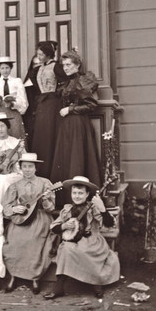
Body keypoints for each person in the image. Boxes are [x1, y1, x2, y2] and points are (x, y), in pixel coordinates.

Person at [44, 176, 120, 300]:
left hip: (92, 240)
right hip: (73, 241)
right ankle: (59, 287)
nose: (77, 196)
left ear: (87, 194)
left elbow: (109, 224)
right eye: (74, 193)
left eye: (80, 193)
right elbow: (53, 227)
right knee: (64, 249)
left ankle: (96, 283)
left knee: (87, 251)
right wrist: (64, 226)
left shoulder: (93, 208)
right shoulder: (67, 209)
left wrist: (102, 209)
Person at [50, 49, 103, 208]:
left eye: (68, 65)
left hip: (78, 125)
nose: (65, 68)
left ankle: (80, 201)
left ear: (77, 65)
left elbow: (91, 105)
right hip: (67, 126)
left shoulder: (81, 81)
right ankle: (65, 201)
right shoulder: (67, 81)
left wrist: (70, 110)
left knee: (77, 160)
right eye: (63, 65)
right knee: (66, 160)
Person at [2, 152, 56, 294]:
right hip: (21, 219)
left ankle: (34, 278)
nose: (27, 169)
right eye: (24, 166)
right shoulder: (15, 185)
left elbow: (51, 208)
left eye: (30, 166)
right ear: (20, 168)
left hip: (40, 218)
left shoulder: (45, 183)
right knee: (15, 240)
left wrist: (44, 200)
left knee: (34, 239)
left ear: (35, 168)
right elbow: (6, 207)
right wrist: (14, 208)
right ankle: (13, 276)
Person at [31, 41, 70, 179]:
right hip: (42, 104)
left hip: (53, 104)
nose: (39, 56)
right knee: (41, 137)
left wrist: (58, 94)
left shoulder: (56, 67)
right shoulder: (39, 68)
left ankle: (51, 172)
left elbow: (66, 82)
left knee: (49, 135)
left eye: (41, 54)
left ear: (48, 54)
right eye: (38, 54)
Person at [0, 112, 25, 207]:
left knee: (4, 180)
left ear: (7, 126)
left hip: (14, 173)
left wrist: (21, 151)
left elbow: (25, 159)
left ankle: (5, 209)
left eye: (2, 126)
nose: (0, 129)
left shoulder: (16, 142)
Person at [0, 56, 28, 140]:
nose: (5, 70)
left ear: (11, 68)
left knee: (15, 136)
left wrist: (13, 103)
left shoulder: (17, 81)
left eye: (7, 68)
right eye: (2, 68)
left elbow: (23, 102)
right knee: (0, 136)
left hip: (13, 113)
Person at [22, 54, 41, 151]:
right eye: (35, 64)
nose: (38, 66)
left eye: (41, 63)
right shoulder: (27, 85)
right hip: (32, 120)